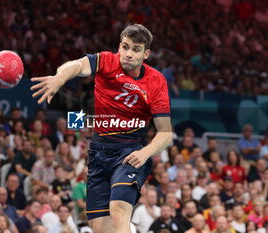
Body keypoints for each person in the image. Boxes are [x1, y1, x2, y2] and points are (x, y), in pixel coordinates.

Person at [31, 24, 172, 233]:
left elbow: (166, 133)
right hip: (98, 154)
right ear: (119, 46)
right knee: (100, 229)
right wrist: (59, 78)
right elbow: (76, 66)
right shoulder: (107, 60)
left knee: (118, 211)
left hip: (130, 153)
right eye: (125, 47)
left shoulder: (156, 81)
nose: (128, 54)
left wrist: (145, 153)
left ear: (146, 54)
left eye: (136, 49)